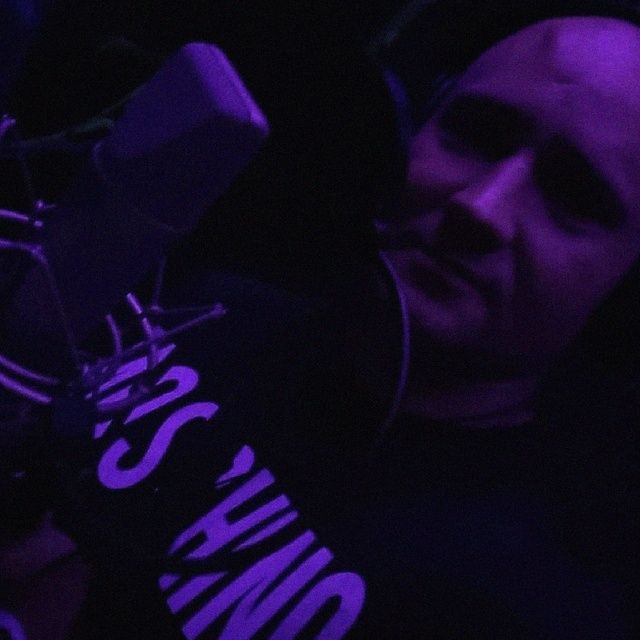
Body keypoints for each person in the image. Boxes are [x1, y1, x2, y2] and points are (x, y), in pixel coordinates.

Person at [1, 5, 639, 640]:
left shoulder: (525, 604)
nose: (479, 207)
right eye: (475, 135)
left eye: (574, 196)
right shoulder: (214, 298)